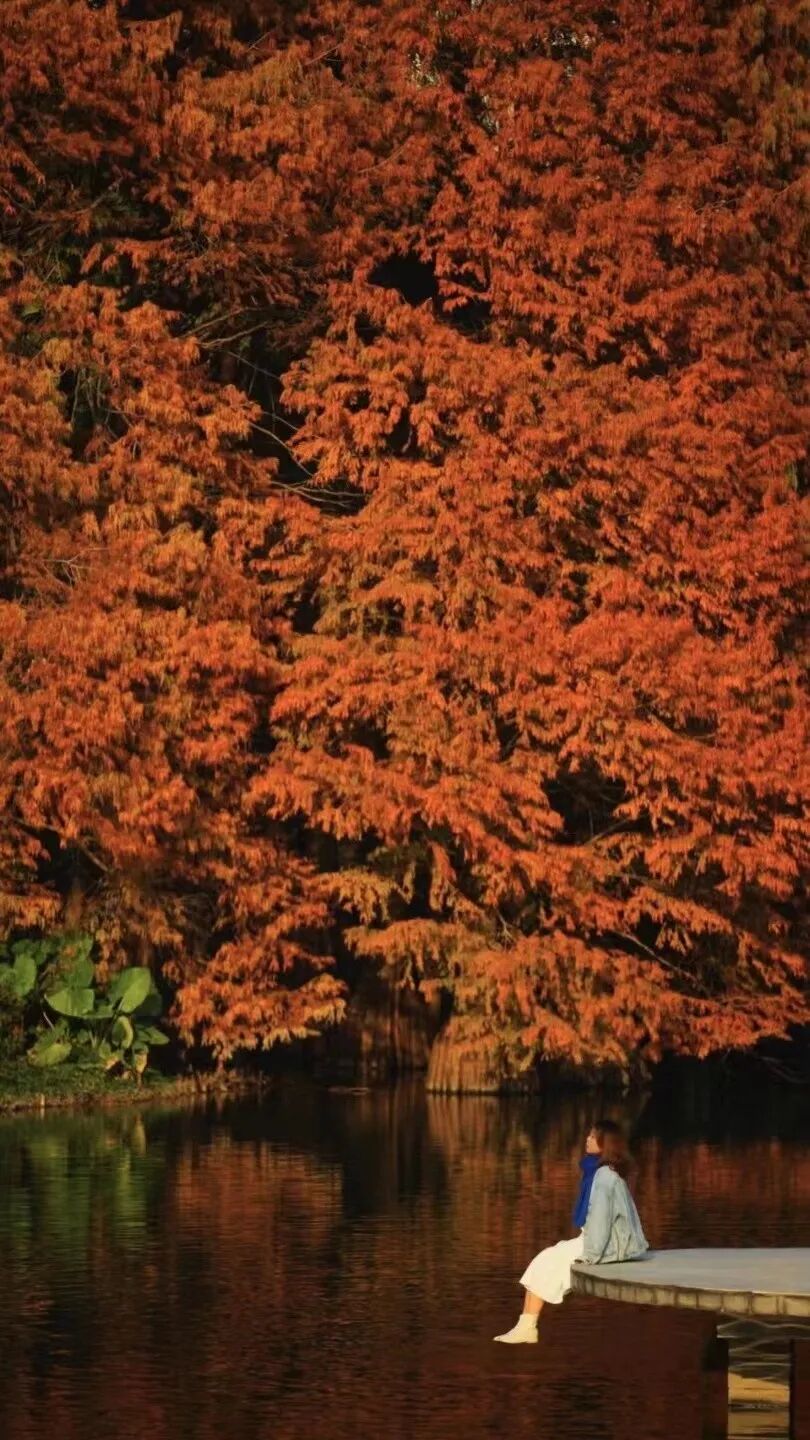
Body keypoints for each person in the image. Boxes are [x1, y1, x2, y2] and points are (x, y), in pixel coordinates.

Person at [493, 1118, 648, 1344]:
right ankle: (525, 1325)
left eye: (594, 1137)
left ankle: (527, 1326)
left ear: (606, 1143)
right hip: (599, 1240)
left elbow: (602, 1223)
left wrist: (590, 1257)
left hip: (609, 1246)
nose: (587, 1139)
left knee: (551, 1261)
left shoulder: (604, 1177)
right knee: (545, 1259)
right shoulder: (599, 1172)